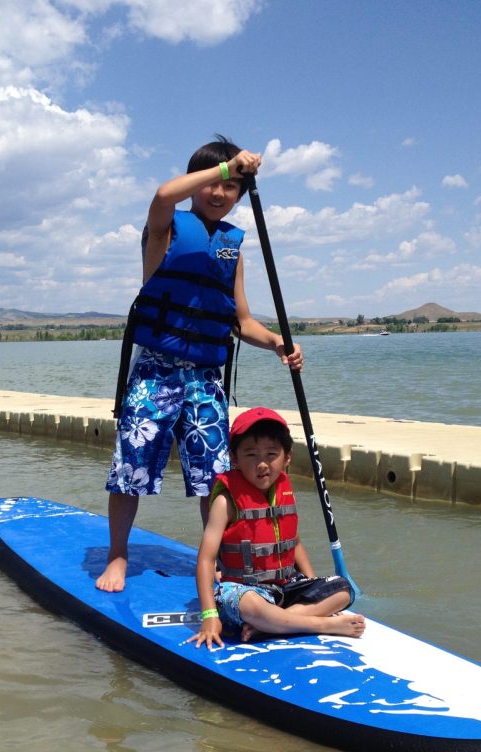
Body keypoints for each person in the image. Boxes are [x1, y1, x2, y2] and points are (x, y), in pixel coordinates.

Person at [98, 136, 304, 592]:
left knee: (213, 477)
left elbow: (242, 321)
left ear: (238, 197)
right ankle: (117, 555)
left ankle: (215, 562)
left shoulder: (232, 251)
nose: (219, 194)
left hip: (205, 380)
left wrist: (276, 343)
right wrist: (229, 167)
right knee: (131, 467)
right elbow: (162, 195)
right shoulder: (165, 230)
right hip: (156, 369)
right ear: (200, 183)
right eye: (214, 182)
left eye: (231, 188)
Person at [189, 406, 366, 649]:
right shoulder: (225, 501)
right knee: (251, 605)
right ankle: (318, 624)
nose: (262, 464)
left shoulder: (283, 491)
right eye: (251, 455)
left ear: (287, 457)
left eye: (271, 454)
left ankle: (269, 625)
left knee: (342, 589)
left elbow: (294, 543)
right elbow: (206, 560)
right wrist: (209, 616)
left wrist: (313, 585)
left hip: (285, 587)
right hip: (244, 591)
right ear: (234, 457)